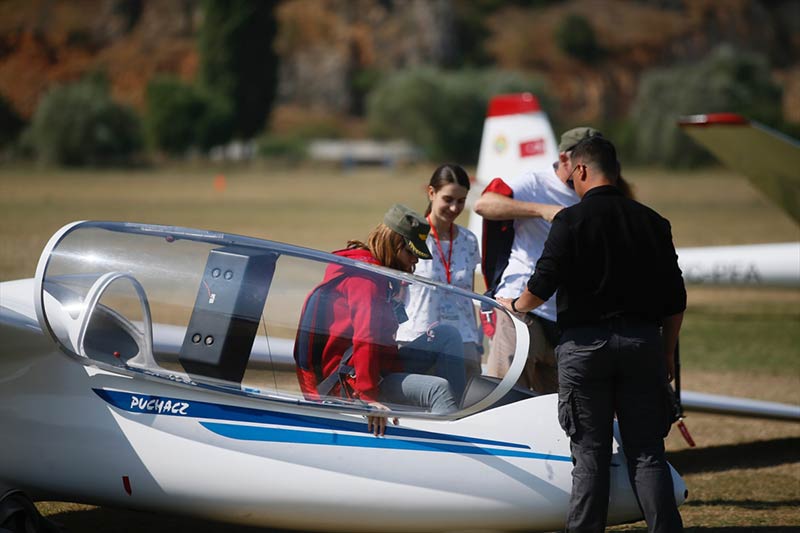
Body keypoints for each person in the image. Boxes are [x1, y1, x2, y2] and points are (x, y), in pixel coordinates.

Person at [498, 136, 685, 532]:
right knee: (647, 452)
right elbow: (675, 300)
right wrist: (666, 354)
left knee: (589, 454)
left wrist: (516, 306)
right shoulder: (653, 222)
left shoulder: (570, 220)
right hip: (641, 345)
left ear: (580, 170)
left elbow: (541, 284)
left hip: (585, 350)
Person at [294, 204, 464, 436]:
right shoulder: (367, 280)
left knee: (447, 335)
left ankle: (464, 414)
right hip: (351, 384)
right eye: (411, 253)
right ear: (395, 245)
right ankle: (457, 446)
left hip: (379, 366)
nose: (413, 262)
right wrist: (368, 398)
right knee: (438, 389)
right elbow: (365, 339)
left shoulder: (374, 273)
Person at [474, 127, 602, 394]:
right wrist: (541, 210)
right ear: (565, 158)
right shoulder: (533, 183)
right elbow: (484, 204)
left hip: (567, 319)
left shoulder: (596, 194)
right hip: (521, 309)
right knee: (505, 398)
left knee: (560, 409)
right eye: (583, 161)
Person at [397, 164, 483, 379]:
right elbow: (395, 294)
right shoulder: (411, 236)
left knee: (464, 408)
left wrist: (477, 343)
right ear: (431, 193)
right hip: (418, 338)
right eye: (448, 199)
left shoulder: (469, 240)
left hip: (464, 341)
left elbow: (468, 295)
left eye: (461, 201)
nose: (454, 208)